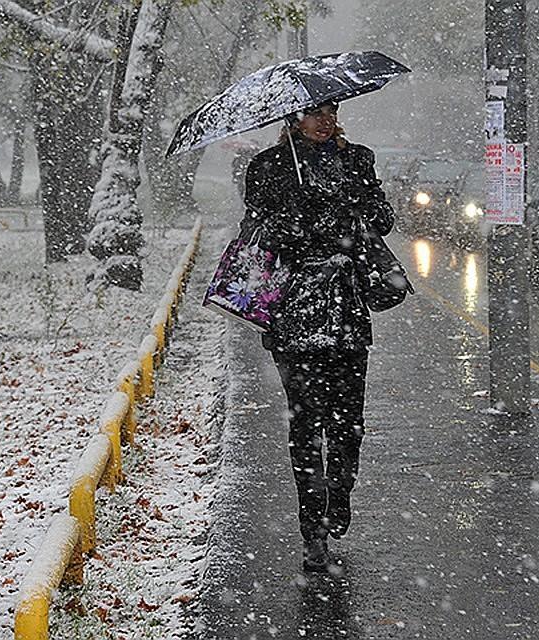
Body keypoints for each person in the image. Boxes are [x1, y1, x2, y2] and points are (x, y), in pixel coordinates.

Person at [240, 101, 395, 572]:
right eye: (313, 113)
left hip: (346, 309)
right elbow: (255, 233)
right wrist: (298, 221)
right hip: (294, 312)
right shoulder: (268, 167)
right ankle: (313, 528)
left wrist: (357, 203)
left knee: (348, 423)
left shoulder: (357, 159)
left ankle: (339, 492)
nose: (324, 121)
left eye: (330, 111)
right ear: (293, 119)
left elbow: (383, 220)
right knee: (306, 424)